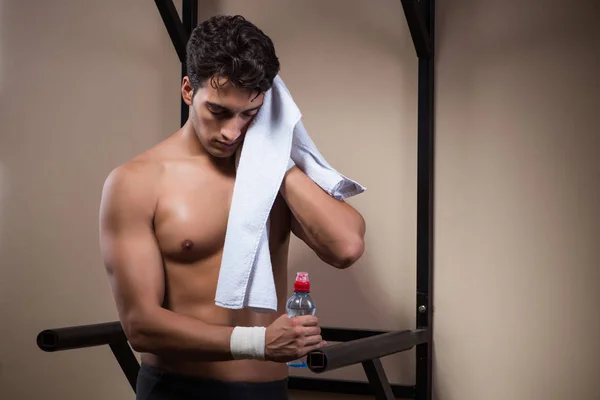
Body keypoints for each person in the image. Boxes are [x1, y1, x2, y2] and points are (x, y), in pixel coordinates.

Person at [99, 14, 366, 400]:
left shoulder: (272, 174)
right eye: (219, 112)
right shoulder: (136, 182)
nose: (232, 132)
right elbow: (140, 325)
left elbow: (346, 248)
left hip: (269, 390)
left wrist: (277, 166)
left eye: (249, 115)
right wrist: (257, 343)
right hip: (180, 390)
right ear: (189, 90)